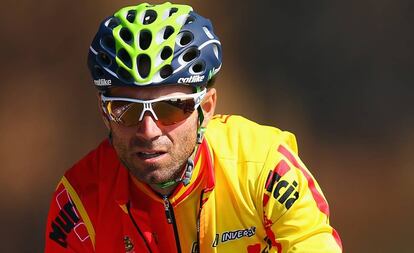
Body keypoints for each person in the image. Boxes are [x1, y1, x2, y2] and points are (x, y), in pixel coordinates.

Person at [44, 2, 342, 252]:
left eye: (170, 107)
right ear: (104, 113)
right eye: (127, 109)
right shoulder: (80, 203)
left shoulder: (262, 168)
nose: (149, 131)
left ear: (206, 108)